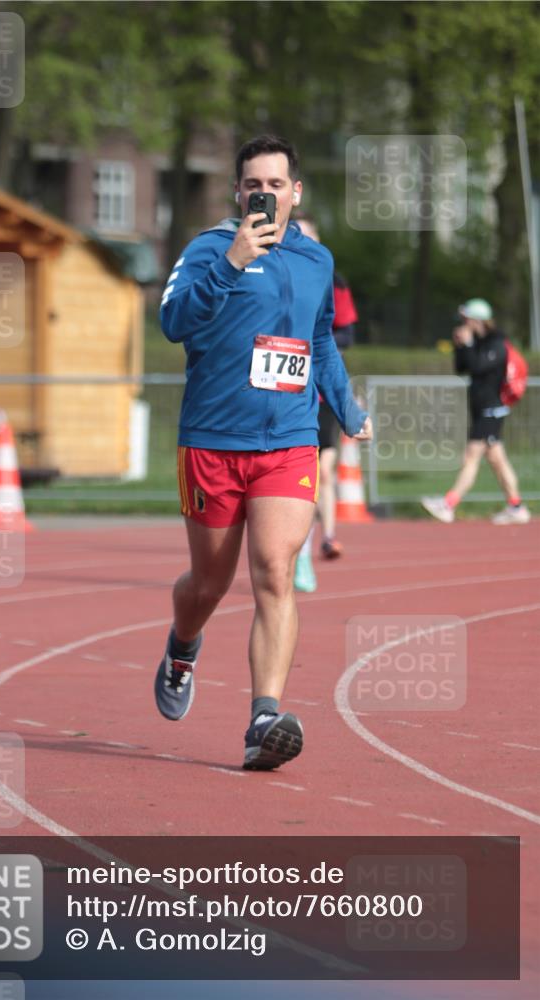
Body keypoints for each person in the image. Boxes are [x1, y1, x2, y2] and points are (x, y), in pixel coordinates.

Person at [154, 135, 372, 771]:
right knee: (209, 583)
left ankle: (263, 720)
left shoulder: (316, 261)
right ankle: (182, 646)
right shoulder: (206, 249)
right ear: (238, 190)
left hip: (289, 442)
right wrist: (231, 262)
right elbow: (173, 322)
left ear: (295, 192)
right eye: (254, 183)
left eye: (277, 184)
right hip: (213, 443)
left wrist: (346, 405)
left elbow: (321, 340)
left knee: (275, 570)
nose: (265, 193)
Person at [292, 215, 359, 593]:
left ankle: (327, 536)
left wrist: (318, 336)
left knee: (324, 471)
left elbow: (347, 333)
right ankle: (297, 549)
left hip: (323, 392)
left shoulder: (332, 280)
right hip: (287, 392)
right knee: (305, 476)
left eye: (310, 234)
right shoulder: (271, 268)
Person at [421, 298, 530, 525]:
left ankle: (448, 504)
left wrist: (469, 344)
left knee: (471, 457)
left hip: (492, 410)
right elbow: (463, 367)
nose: (463, 322)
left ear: (478, 320)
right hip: (481, 409)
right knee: (498, 460)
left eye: (467, 318)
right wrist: (460, 346)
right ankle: (516, 506)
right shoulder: (477, 342)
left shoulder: (497, 343)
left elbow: (480, 367)